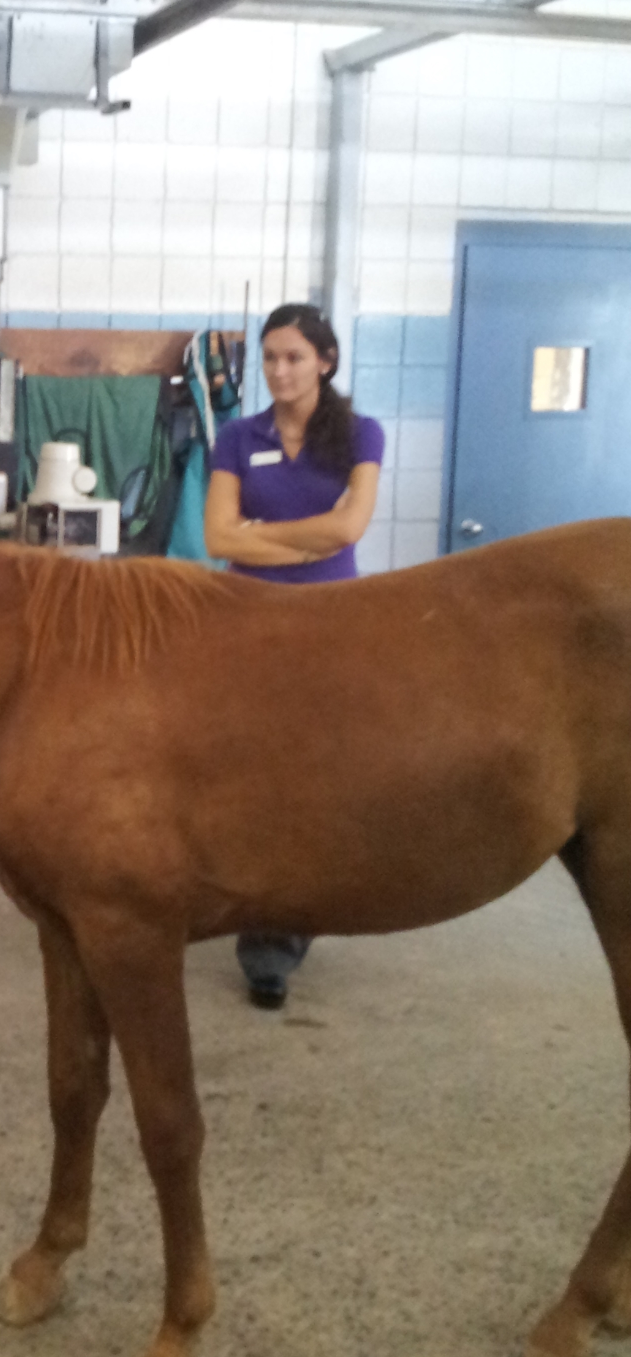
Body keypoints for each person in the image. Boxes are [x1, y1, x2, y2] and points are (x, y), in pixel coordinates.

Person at [203, 303, 384, 1010]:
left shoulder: (360, 434)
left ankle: (285, 932)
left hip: (329, 625)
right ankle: (250, 921)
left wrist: (264, 532)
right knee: (248, 778)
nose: (279, 371)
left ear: (325, 361)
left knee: (313, 783)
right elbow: (218, 537)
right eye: (270, 357)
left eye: (294, 358)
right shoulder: (236, 436)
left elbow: (350, 527)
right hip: (244, 626)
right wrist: (303, 539)